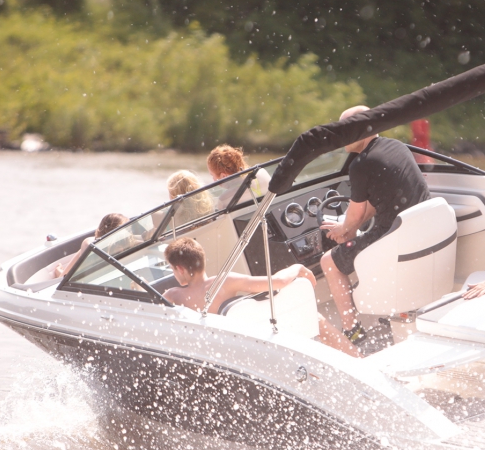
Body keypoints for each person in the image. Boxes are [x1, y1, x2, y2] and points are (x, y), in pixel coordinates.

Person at [319, 105, 431, 345]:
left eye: (346, 129)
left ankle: (352, 330)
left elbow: (356, 214)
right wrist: (348, 228)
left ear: (364, 129)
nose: (341, 136)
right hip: (419, 233)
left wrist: (342, 229)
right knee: (350, 240)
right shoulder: (397, 147)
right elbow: (374, 202)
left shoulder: (361, 164)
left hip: (393, 239)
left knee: (329, 262)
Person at [162, 237, 359, 357]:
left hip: (222, 352)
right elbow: (278, 282)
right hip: (253, 343)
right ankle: (357, 359)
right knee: (315, 319)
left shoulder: (173, 295)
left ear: (180, 269)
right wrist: (297, 267)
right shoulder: (223, 281)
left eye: (172, 269)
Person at [54, 213, 128, 278]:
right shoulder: (124, 247)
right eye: (127, 230)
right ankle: (62, 275)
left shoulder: (90, 245)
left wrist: (62, 275)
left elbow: (79, 274)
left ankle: (61, 275)